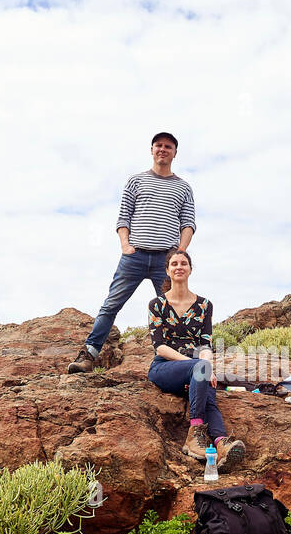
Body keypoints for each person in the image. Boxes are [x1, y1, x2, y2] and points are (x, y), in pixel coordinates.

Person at [67, 132, 196, 373]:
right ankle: (89, 355)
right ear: (151, 150)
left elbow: (188, 223)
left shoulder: (183, 187)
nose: (163, 149)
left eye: (168, 146)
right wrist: (125, 246)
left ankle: (180, 362)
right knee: (111, 305)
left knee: (173, 309)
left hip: (165, 261)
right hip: (134, 257)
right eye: (158, 145)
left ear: (175, 153)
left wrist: (179, 253)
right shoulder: (136, 181)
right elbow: (123, 216)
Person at [146, 249, 247, 470]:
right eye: (174, 264)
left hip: (196, 369)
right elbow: (160, 347)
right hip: (165, 369)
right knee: (201, 371)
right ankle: (194, 436)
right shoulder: (157, 305)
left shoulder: (204, 306)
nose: (179, 266)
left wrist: (205, 367)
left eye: (183, 263)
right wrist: (196, 366)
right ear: (168, 270)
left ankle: (221, 445)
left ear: (190, 269)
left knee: (207, 393)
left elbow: (205, 344)